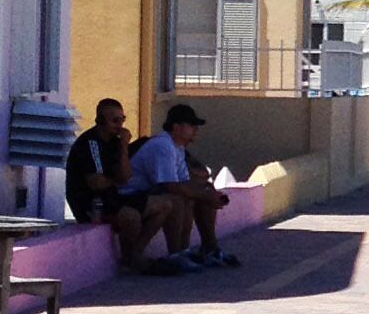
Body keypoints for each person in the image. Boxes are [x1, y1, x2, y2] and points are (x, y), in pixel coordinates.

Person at [114, 104, 239, 274]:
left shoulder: (177, 147)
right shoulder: (163, 145)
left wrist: (208, 192)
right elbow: (170, 185)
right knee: (177, 198)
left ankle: (209, 248)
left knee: (203, 191)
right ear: (176, 127)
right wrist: (204, 195)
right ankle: (176, 253)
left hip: (151, 192)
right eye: (191, 125)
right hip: (132, 194)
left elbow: (184, 180)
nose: (196, 130)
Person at [66, 98, 129, 225]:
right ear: (100, 121)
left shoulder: (115, 142)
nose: (120, 125)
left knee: (163, 204)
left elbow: (125, 177)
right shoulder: (90, 143)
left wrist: (124, 146)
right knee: (131, 218)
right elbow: (97, 183)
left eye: (122, 119)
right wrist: (116, 180)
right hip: (91, 203)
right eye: (115, 121)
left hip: (111, 199)